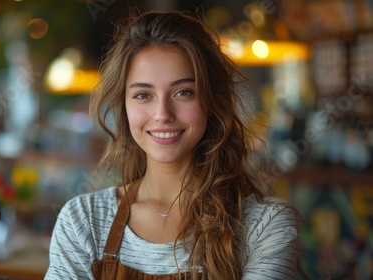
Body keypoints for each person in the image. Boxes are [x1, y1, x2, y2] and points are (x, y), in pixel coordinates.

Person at [45, 10, 307, 280]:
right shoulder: (83, 221)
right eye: (143, 94)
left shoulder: (265, 226)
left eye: (184, 92)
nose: (162, 113)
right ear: (123, 106)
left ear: (212, 102)